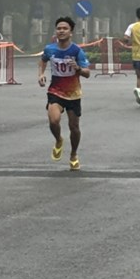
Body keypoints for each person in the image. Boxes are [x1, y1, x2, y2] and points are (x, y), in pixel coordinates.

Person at [38, 16, 91, 171]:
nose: (61, 31)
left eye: (65, 28)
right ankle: (58, 140)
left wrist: (78, 69)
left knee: (74, 127)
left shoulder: (77, 51)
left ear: (71, 32)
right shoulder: (50, 49)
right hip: (55, 91)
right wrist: (41, 74)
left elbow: (87, 73)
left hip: (73, 94)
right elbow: (43, 60)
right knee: (54, 120)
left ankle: (73, 155)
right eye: (59, 28)